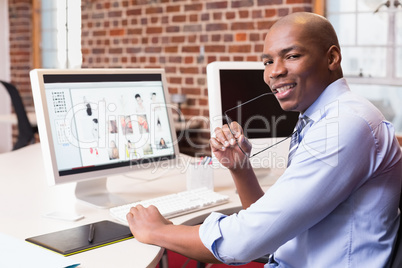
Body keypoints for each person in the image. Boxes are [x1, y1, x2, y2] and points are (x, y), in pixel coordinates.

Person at [126, 12, 402, 267]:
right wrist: (240, 168)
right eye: (268, 61)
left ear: (331, 59)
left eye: (291, 56)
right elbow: (272, 226)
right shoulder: (322, 117)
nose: (274, 72)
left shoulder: (346, 124)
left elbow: (242, 242)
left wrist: (160, 231)